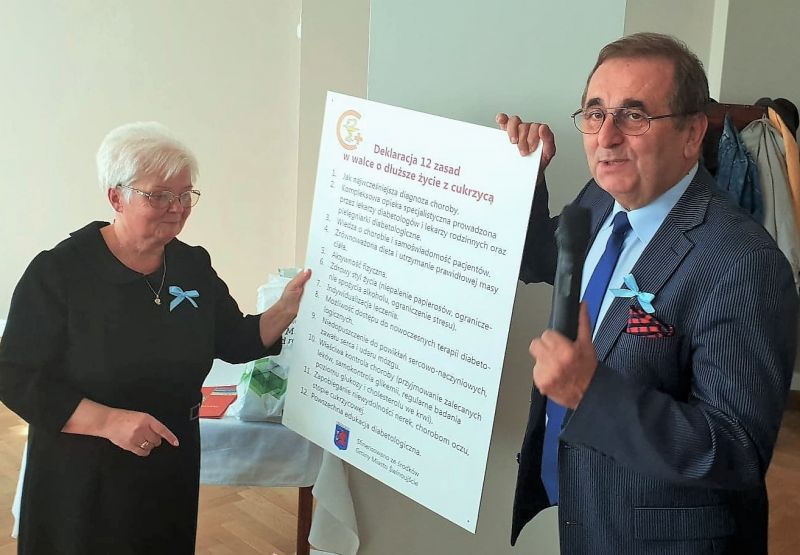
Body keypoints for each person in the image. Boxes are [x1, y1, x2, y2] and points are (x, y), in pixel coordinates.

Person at [499, 33, 798, 554]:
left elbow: (736, 452)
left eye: (634, 116)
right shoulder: (599, 199)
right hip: (589, 511)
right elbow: (540, 259)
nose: (606, 136)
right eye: (596, 113)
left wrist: (591, 393)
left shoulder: (742, 262)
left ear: (691, 133)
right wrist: (526, 175)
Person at [0, 121, 311, 554]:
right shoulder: (59, 273)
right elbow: (16, 376)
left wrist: (285, 310)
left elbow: (235, 340)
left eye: (185, 195)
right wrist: (110, 422)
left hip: (169, 462)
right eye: (159, 195)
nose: (177, 208)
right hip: (84, 471)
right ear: (116, 197)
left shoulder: (192, 265)